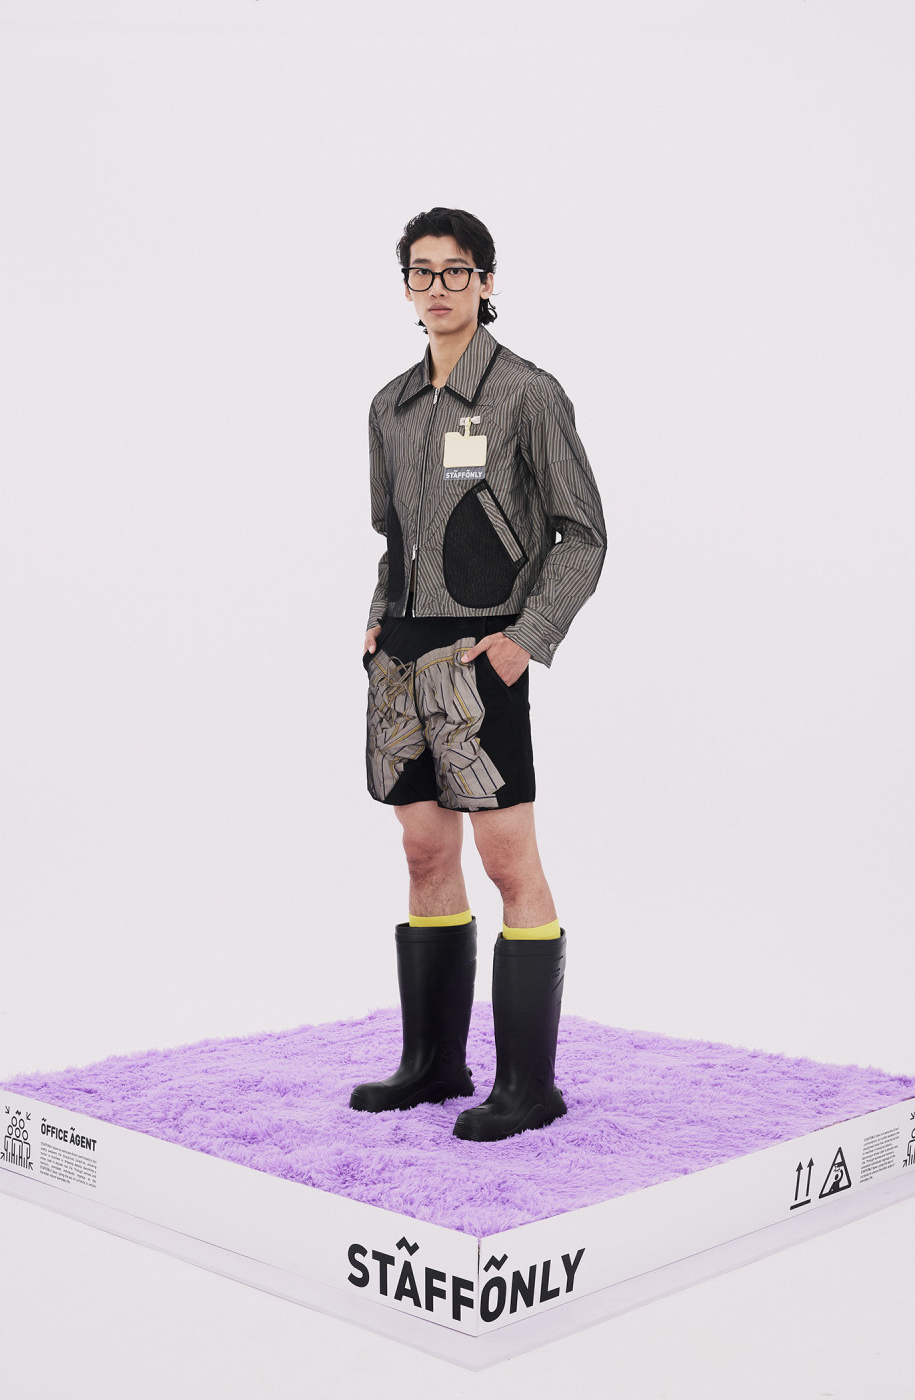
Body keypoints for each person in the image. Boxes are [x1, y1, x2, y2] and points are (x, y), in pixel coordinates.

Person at [349, 207, 606, 1142]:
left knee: (506, 861)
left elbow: (584, 535)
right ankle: (434, 1065)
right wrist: (378, 619)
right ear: (406, 286)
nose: (438, 287)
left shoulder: (529, 393)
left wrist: (524, 638)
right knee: (423, 851)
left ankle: (530, 1087)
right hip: (402, 654)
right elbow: (393, 536)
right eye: (422, 272)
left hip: (481, 651)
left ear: (486, 282)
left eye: (456, 271)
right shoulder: (389, 405)